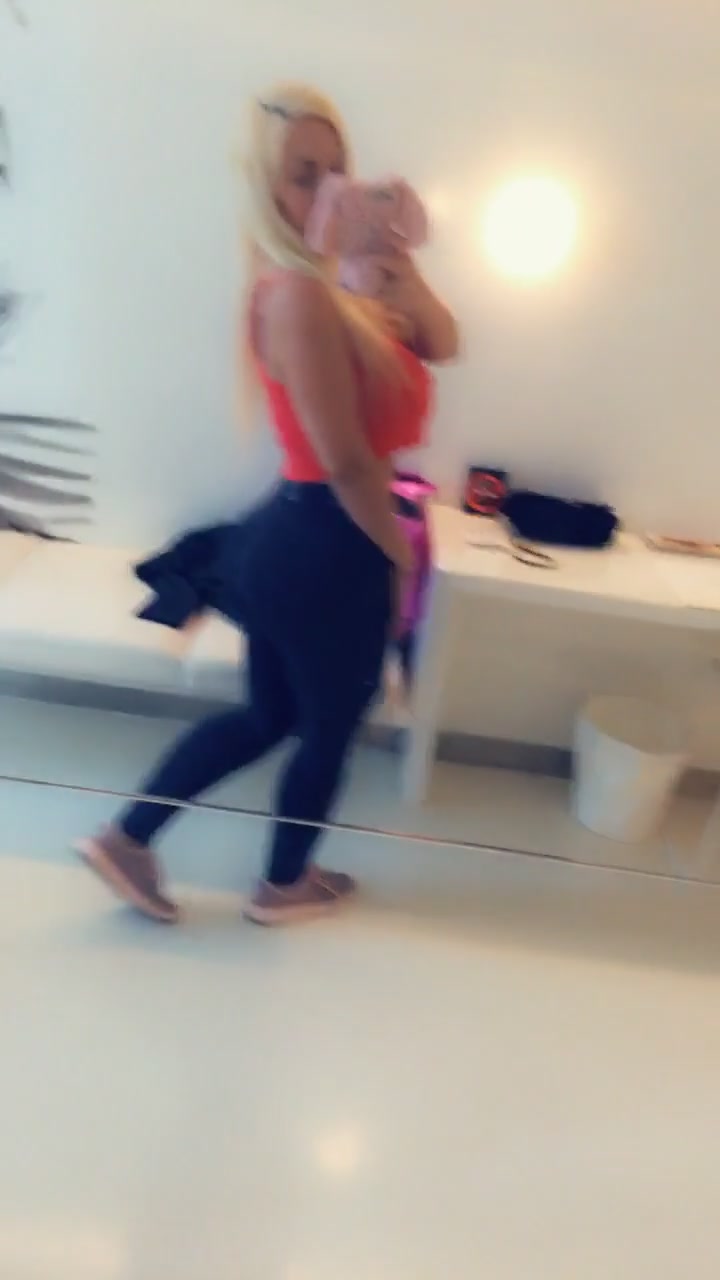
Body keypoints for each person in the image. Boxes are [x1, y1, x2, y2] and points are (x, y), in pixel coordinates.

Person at [77, 82, 459, 926]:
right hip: (333, 542)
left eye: (337, 170)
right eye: (302, 175)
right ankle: (285, 885)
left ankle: (127, 840)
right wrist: (399, 558)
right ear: (265, 188)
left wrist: (397, 254)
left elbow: (444, 340)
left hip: (296, 539)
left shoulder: (339, 287)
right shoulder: (300, 296)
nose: (325, 190)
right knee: (328, 728)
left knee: (269, 715)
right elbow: (348, 463)